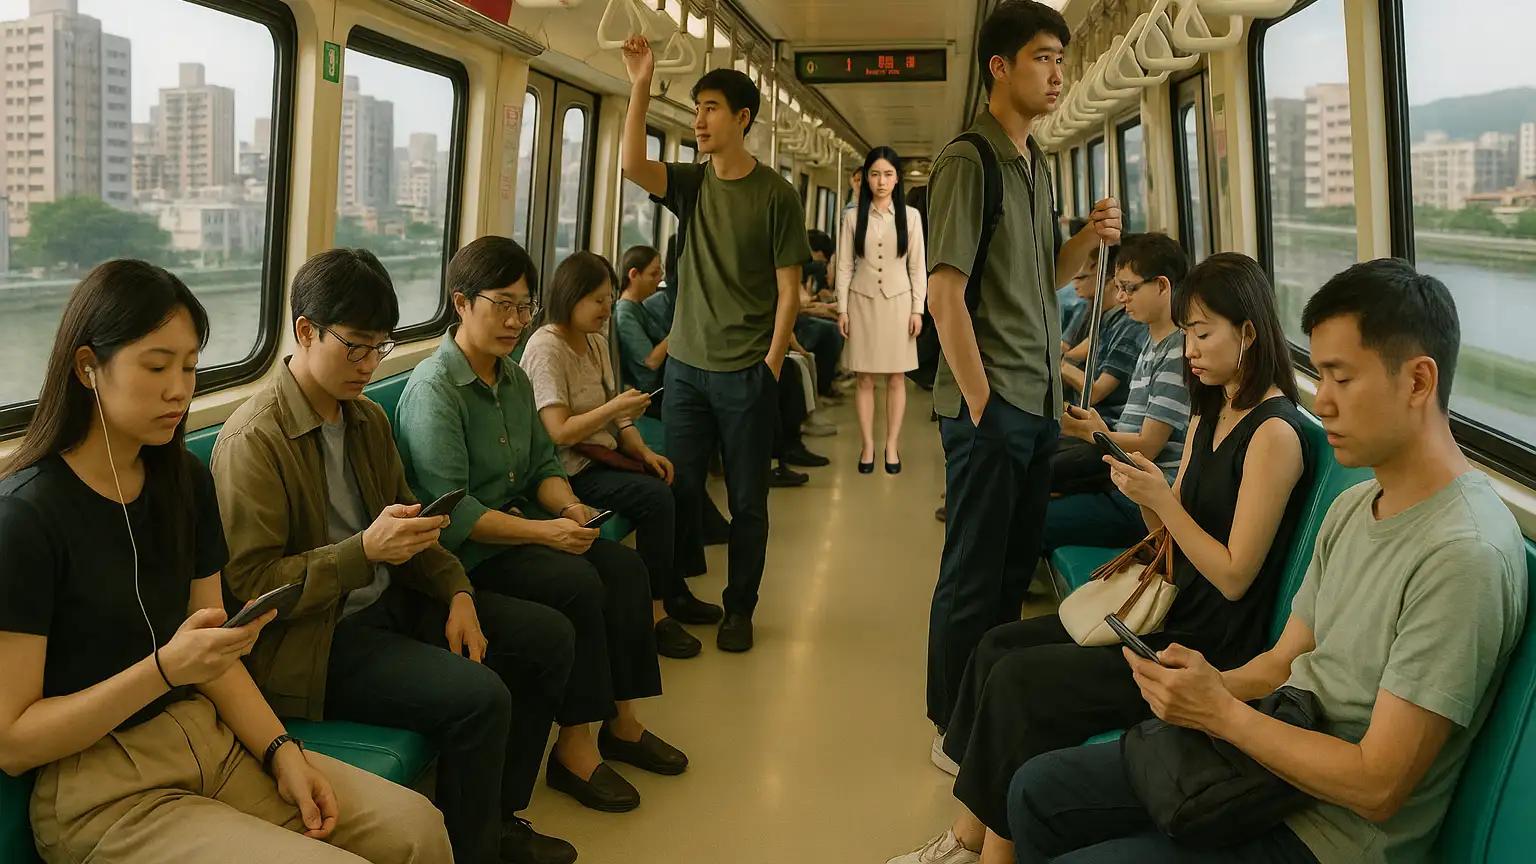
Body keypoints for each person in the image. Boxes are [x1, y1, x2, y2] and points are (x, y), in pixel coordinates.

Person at [1009, 258, 1528, 864]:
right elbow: (1284, 659)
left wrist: (1223, 714)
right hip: (1271, 756)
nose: (1323, 403)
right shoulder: (1357, 505)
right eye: (1321, 377)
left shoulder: (1463, 555)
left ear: (1417, 382)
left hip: (1324, 833)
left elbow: (1377, 785)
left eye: (1340, 379)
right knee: (1038, 791)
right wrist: (1202, 689)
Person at [0, 260, 453, 864]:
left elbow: (213, 656)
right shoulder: (26, 518)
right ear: (88, 368)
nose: (178, 389)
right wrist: (164, 669)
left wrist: (282, 752)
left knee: (416, 827)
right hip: (103, 788)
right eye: (156, 366)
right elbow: (14, 740)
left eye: (189, 367)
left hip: (209, 740)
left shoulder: (182, 480)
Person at [894, 251, 1315, 864]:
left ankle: (974, 850)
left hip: (1200, 643)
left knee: (1018, 683)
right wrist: (1145, 492)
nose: (1190, 350)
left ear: (1248, 333)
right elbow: (1171, 536)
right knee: (997, 647)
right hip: (1164, 603)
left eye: (1202, 334)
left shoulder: (1276, 434)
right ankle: (967, 837)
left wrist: (1163, 504)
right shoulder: (1211, 411)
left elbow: (1232, 576)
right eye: (1189, 335)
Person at [211, 249, 577, 864]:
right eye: (355, 347)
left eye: (379, 348)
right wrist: (362, 552)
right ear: (305, 331)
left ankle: (496, 819)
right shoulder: (256, 441)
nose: (369, 364)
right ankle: (473, 848)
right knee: (481, 698)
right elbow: (251, 587)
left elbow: (415, 520)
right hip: (317, 639)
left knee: (548, 637)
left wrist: (457, 592)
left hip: (387, 598)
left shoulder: (366, 419)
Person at [395, 236, 687, 816]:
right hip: (473, 554)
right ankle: (574, 750)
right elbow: (455, 513)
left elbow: (542, 467)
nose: (514, 321)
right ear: (460, 303)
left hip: (522, 527)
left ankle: (622, 724)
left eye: (523, 307)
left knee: (624, 567)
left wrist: (567, 509)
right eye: (500, 305)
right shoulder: (435, 391)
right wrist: (545, 534)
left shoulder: (512, 378)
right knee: (578, 583)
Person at [925, 0, 1121, 749]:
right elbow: (945, 295)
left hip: (1035, 406)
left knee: (1009, 572)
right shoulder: (967, 162)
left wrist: (1085, 240)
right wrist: (983, 407)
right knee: (972, 574)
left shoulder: (1034, 161)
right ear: (999, 67)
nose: (1057, 73)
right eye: (1043, 57)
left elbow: (1043, 278)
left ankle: (985, 711)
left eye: (1061, 60)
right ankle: (950, 726)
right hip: (995, 406)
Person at [621, 34, 813, 652]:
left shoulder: (776, 196)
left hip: (745, 372)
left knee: (748, 500)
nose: (699, 120)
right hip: (685, 371)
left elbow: (789, 290)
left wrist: (773, 362)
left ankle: (740, 608)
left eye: (710, 108)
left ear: (742, 119)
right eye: (697, 108)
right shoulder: (691, 184)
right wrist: (640, 84)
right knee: (679, 487)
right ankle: (675, 593)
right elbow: (630, 165)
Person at [520, 251, 724, 661]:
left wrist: (644, 450)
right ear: (570, 296)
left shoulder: (594, 342)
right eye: (597, 299)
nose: (606, 308)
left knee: (674, 479)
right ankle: (654, 613)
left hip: (603, 455)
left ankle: (674, 589)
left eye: (609, 298)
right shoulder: (547, 348)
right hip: (569, 468)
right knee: (655, 499)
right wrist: (616, 411)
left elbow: (616, 415)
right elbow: (557, 431)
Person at [1049, 232, 1192, 552]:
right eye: (1119, 287)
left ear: (1162, 286)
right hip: (1122, 478)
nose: (1122, 296)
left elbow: (1148, 447)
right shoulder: (1152, 344)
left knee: (1030, 515)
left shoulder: (1176, 354)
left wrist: (1095, 433)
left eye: (1129, 287)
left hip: (1145, 505)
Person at [837, 145, 929, 474]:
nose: (880, 181)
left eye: (887, 174)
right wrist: (842, 308)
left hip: (898, 303)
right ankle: (867, 445)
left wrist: (917, 309)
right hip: (861, 301)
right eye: (874, 174)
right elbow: (845, 267)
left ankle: (891, 444)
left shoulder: (911, 217)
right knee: (864, 378)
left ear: (897, 179)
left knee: (896, 378)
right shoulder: (851, 218)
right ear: (865, 177)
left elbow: (918, 268)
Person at [613, 244, 670, 406]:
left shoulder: (639, 307)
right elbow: (651, 361)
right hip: (650, 393)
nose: (659, 279)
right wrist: (677, 332)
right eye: (653, 274)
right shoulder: (625, 312)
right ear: (634, 274)